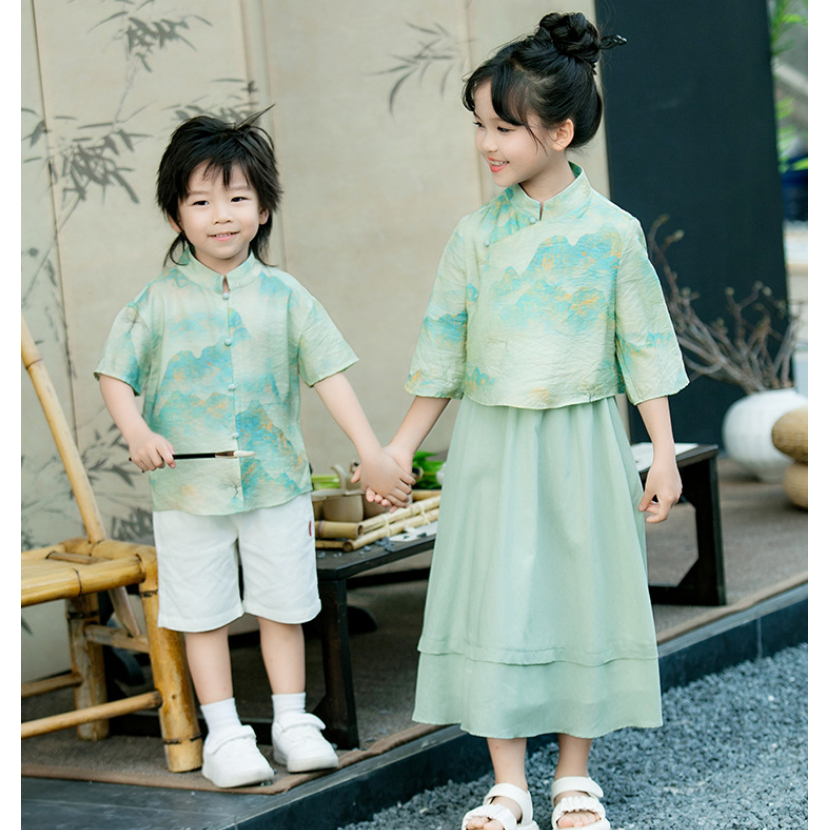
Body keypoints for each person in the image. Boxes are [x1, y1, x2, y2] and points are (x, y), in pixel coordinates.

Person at [368, 12, 689, 830]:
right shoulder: (474, 237)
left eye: (503, 127)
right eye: (480, 124)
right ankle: (507, 781)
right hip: (494, 445)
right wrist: (398, 448)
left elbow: (645, 348)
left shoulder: (614, 234)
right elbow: (441, 349)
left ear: (560, 132)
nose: (487, 143)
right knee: (499, 598)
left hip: (585, 441)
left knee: (584, 594)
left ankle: (574, 776)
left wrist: (661, 453)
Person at [95, 111, 414, 788]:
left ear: (263, 208)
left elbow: (329, 374)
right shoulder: (155, 302)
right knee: (203, 613)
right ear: (175, 215)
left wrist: (371, 450)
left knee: (285, 602)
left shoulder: (286, 295)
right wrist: (138, 431)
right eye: (201, 202)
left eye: (238, 198)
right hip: (187, 490)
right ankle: (226, 734)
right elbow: (114, 375)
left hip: (275, 482)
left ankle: (293, 723)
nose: (222, 215)